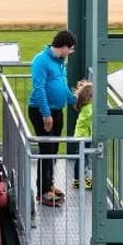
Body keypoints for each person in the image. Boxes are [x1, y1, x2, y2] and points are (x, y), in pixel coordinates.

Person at [28, 29, 76, 206]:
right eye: (70, 49)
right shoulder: (41, 60)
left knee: (54, 148)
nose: (71, 52)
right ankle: (42, 191)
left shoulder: (61, 62)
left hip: (57, 110)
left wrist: (75, 100)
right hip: (41, 112)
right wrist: (46, 114)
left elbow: (63, 86)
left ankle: (49, 185)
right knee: (46, 149)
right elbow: (39, 89)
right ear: (63, 46)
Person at [70, 79, 94, 189]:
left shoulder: (86, 107)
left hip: (82, 136)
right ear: (90, 98)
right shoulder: (89, 108)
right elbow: (94, 114)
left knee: (82, 158)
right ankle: (78, 180)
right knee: (81, 159)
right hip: (83, 137)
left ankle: (78, 179)